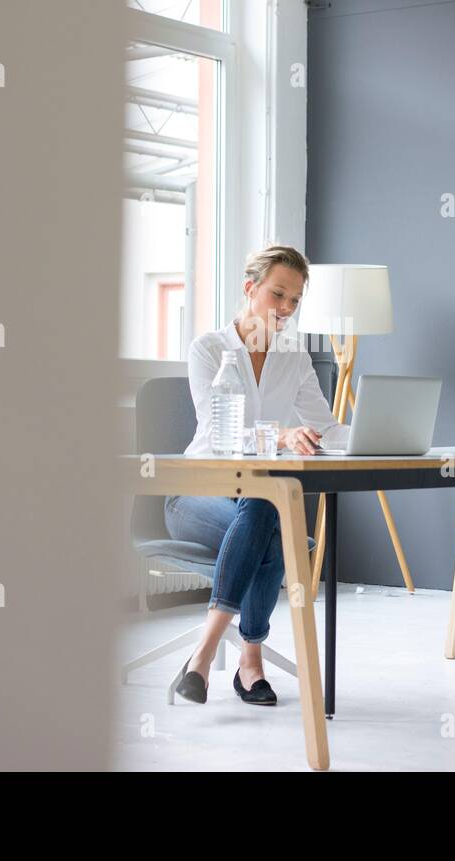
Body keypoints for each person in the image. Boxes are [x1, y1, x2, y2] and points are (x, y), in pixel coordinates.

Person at [165, 245, 349, 705]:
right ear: (251, 288)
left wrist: (372, 435)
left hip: (255, 501)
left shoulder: (294, 355)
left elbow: (325, 427)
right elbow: (218, 430)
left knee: (266, 510)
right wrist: (283, 436)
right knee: (273, 526)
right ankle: (245, 661)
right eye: (278, 295)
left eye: (294, 300)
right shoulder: (210, 350)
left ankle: (203, 661)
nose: (286, 309)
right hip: (195, 495)